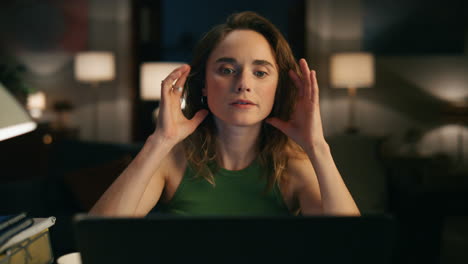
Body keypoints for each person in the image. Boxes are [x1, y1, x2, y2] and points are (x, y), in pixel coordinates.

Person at [90, 11, 360, 217]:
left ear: (278, 88)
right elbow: (97, 238)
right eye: (227, 70)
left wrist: (317, 148)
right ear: (204, 84)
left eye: (260, 72)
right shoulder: (172, 160)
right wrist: (159, 142)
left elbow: (354, 248)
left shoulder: (293, 166)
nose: (244, 83)